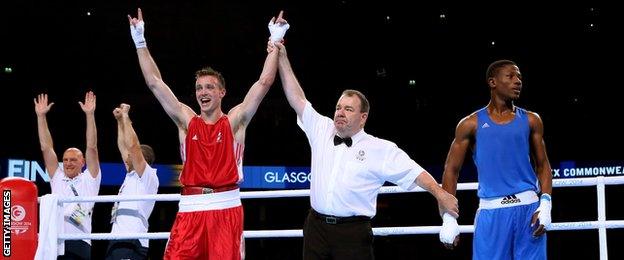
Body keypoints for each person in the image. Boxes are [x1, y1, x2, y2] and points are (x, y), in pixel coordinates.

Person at [273, 36, 459, 259]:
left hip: (353, 234)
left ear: (363, 118)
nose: (340, 112)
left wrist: (441, 195)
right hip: (316, 228)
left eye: (348, 109)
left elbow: (415, 172)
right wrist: (282, 56)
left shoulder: (379, 148)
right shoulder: (321, 129)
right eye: (338, 107)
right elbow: (297, 97)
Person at [127, 8, 288, 259]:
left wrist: (276, 39)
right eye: (199, 87)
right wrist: (140, 40)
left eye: (210, 87)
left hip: (226, 206)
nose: (203, 92)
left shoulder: (235, 120)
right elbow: (155, 83)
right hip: (191, 206)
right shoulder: (186, 121)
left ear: (222, 92)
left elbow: (264, 82)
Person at [439, 60, 553, 259]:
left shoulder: (532, 120)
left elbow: (543, 165)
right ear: (493, 82)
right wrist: (448, 217)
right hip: (492, 213)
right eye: (510, 76)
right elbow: (451, 170)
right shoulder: (470, 124)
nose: (518, 81)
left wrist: (545, 204)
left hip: (529, 211)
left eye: (519, 77)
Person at [34, 91, 102, 260]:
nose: (68, 163)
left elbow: (92, 147)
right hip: (54, 241)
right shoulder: (57, 177)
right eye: (65, 160)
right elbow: (46, 148)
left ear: (83, 162)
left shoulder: (90, 179)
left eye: (73, 160)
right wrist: (41, 117)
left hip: (80, 242)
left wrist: (90, 115)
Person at [106, 103, 159, 260]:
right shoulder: (130, 176)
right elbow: (124, 145)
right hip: (116, 239)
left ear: (141, 159)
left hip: (132, 239)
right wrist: (119, 121)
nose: (126, 156)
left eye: (131, 155)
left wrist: (126, 116)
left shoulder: (148, 176)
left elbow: (132, 146)